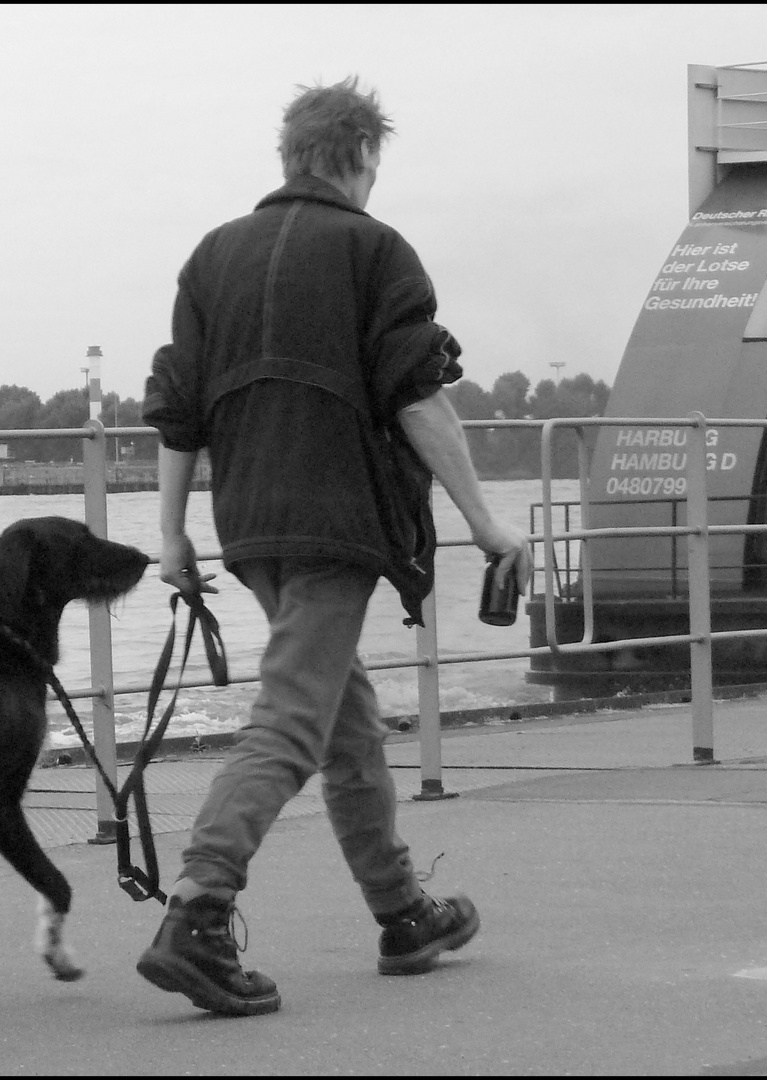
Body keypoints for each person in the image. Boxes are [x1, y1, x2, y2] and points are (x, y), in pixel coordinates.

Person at [137, 76, 533, 1017]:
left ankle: (403, 914)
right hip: (332, 521)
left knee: (343, 718)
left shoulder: (211, 257)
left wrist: (169, 533)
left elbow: (177, 409)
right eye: (372, 166)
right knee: (289, 721)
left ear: (287, 157)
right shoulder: (373, 250)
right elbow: (417, 394)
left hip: (251, 525)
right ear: (357, 158)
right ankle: (197, 908)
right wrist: (483, 519)